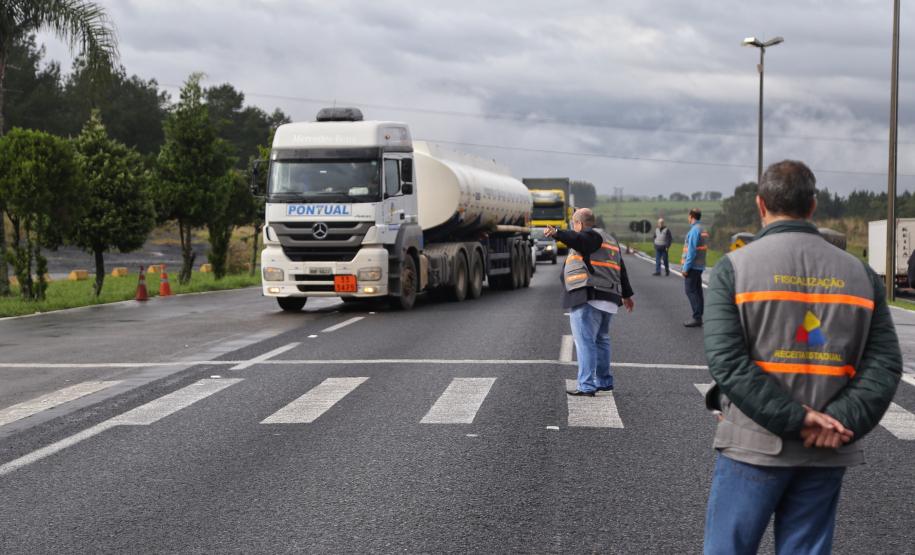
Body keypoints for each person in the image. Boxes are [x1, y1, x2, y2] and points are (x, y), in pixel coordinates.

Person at [702, 160, 902, 555]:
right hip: (826, 449)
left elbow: (727, 362)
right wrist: (838, 421)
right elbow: (884, 363)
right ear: (813, 206)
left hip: (753, 445)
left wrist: (795, 419)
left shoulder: (734, 268)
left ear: (761, 205)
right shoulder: (860, 274)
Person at [545, 208, 634, 396]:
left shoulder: (590, 237)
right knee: (602, 340)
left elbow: (580, 240)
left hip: (589, 296)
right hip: (608, 297)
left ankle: (586, 384)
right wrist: (626, 294)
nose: (573, 229)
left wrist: (557, 233)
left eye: (573, 225)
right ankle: (603, 380)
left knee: (585, 342)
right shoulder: (610, 239)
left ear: (579, 224)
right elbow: (621, 268)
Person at [681, 208, 708, 327]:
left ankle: (697, 317)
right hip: (700, 265)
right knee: (697, 291)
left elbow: (691, 251)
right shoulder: (703, 229)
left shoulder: (694, 231)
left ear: (691, 216)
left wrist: (685, 268)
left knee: (690, 290)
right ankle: (699, 316)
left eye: (688, 216)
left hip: (692, 267)